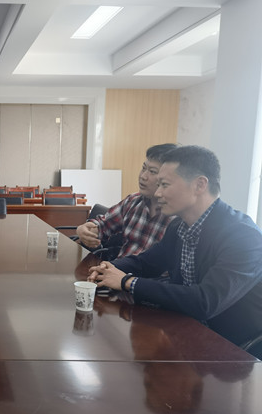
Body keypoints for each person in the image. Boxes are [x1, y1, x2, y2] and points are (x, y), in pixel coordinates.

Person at [88, 146, 262, 357]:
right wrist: (107, 269)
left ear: (199, 185)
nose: (157, 193)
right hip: (184, 330)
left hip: (231, 351)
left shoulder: (243, 236)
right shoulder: (179, 226)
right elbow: (146, 262)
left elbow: (204, 301)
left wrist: (127, 282)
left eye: (165, 185)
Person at [76, 143, 177, 258]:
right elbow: (103, 225)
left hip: (138, 270)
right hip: (118, 267)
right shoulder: (133, 201)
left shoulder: (177, 217)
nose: (143, 176)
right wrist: (85, 229)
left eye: (153, 171)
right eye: (144, 168)